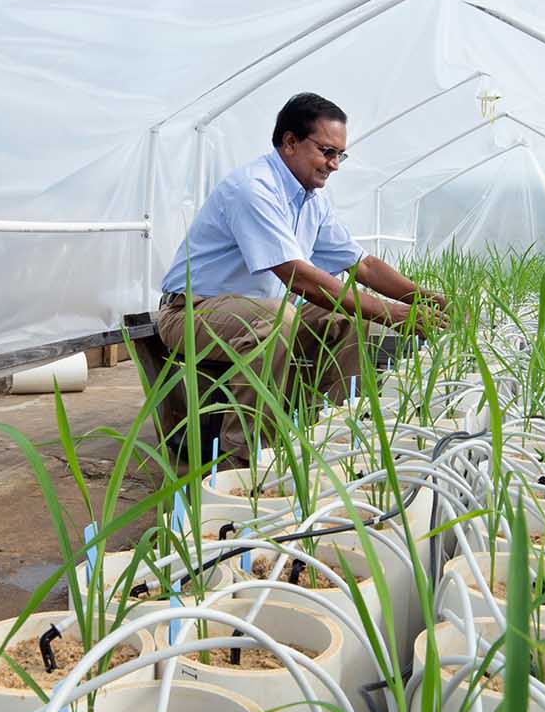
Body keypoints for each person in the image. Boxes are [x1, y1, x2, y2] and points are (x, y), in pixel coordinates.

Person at [156, 91, 447, 461]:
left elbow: (364, 266)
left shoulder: (312, 200)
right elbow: (299, 277)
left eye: (340, 154)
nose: (334, 164)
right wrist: (392, 314)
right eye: (327, 151)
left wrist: (423, 298)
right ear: (290, 142)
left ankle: (322, 433)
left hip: (260, 309)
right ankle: (244, 458)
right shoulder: (253, 189)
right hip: (192, 312)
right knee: (277, 321)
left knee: (346, 320)